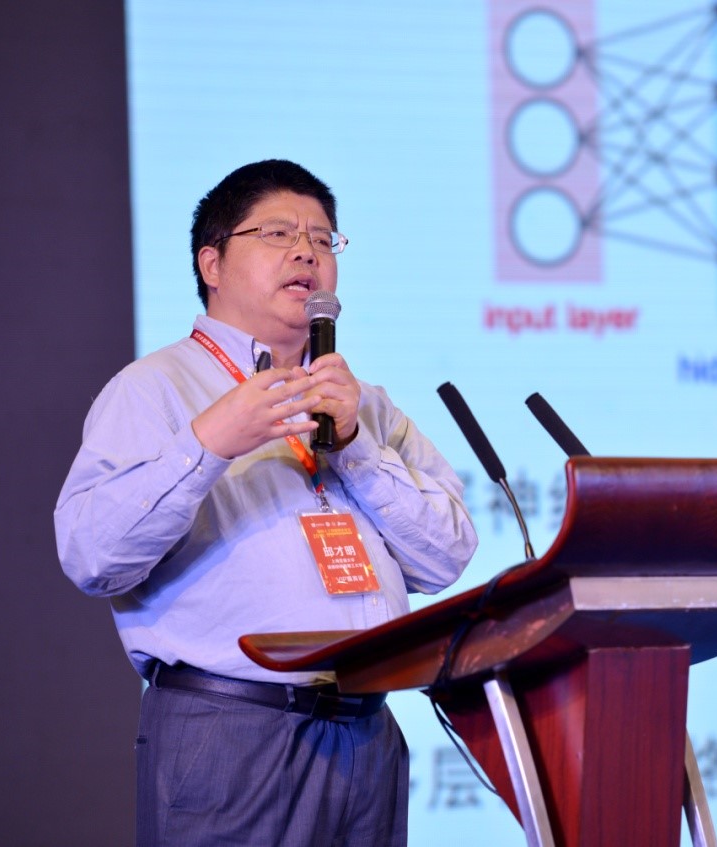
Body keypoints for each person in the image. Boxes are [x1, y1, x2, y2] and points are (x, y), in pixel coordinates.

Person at [55, 159, 478, 846]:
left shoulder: (364, 406)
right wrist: (210, 444)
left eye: (323, 239)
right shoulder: (153, 388)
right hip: (231, 730)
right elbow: (92, 555)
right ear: (212, 263)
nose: (307, 252)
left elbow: (446, 556)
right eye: (278, 233)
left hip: (367, 733)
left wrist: (354, 447)